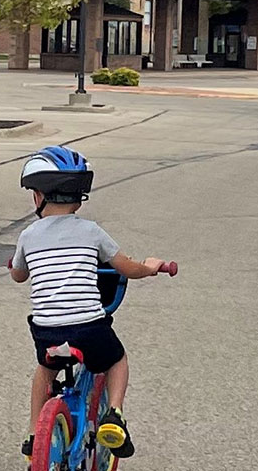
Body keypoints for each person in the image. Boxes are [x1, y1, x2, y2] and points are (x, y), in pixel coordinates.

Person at [11, 146, 169, 460]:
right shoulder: (91, 231)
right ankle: (114, 415)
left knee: (45, 370)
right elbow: (127, 268)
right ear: (79, 196)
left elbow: (18, 275)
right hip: (89, 328)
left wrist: (17, 265)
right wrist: (151, 267)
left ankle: (32, 434)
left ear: (38, 196)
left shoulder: (28, 236)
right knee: (116, 359)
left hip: (46, 332)